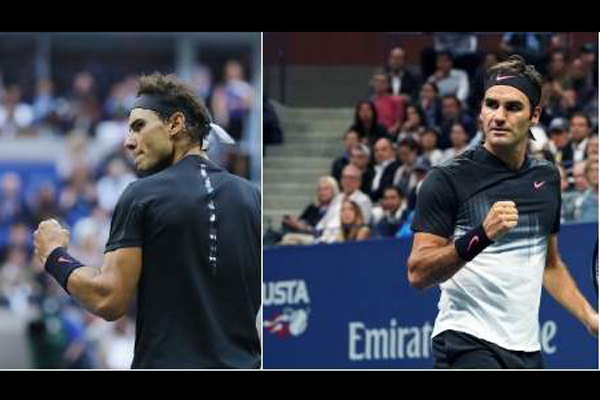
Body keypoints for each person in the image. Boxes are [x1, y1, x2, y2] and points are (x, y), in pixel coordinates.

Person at [33, 73, 261, 369]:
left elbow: (108, 298)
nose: (129, 142)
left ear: (175, 124)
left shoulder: (142, 195)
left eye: (139, 127)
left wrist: (54, 256)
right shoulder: (253, 196)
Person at [407, 55, 598, 369]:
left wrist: (589, 317)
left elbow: (549, 265)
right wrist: (480, 236)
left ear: (534, 115)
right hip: (465, 341)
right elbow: (417, 273)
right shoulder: (446, 179)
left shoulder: (547, 178)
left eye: (513, 107)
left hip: (526, 350)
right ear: (481, 109)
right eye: (491, 104)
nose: (499, 116)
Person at [316, 164, 372, 243]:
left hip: (344, 239)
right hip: (324, 238)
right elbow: (323, 222)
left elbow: (360, 225)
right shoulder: (337, 198)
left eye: (352, 178)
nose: (347, 181)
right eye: (345, 178)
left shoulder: (363, 200)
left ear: (359, 182)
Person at [363, 137, 399, 203]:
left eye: (384, 149)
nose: (379, 153)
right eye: (376, 150)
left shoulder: (396, 168)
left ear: (392, 151)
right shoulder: (371, 170)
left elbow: (385, 189)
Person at [370, 70, 405, 136]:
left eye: (382, 81)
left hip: (390, 134)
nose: (378, 84)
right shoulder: (370, 101)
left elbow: (399, 121)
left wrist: (391, 130)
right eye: (376, 81)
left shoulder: (396, 100)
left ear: (388, 84)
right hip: (373, 134)